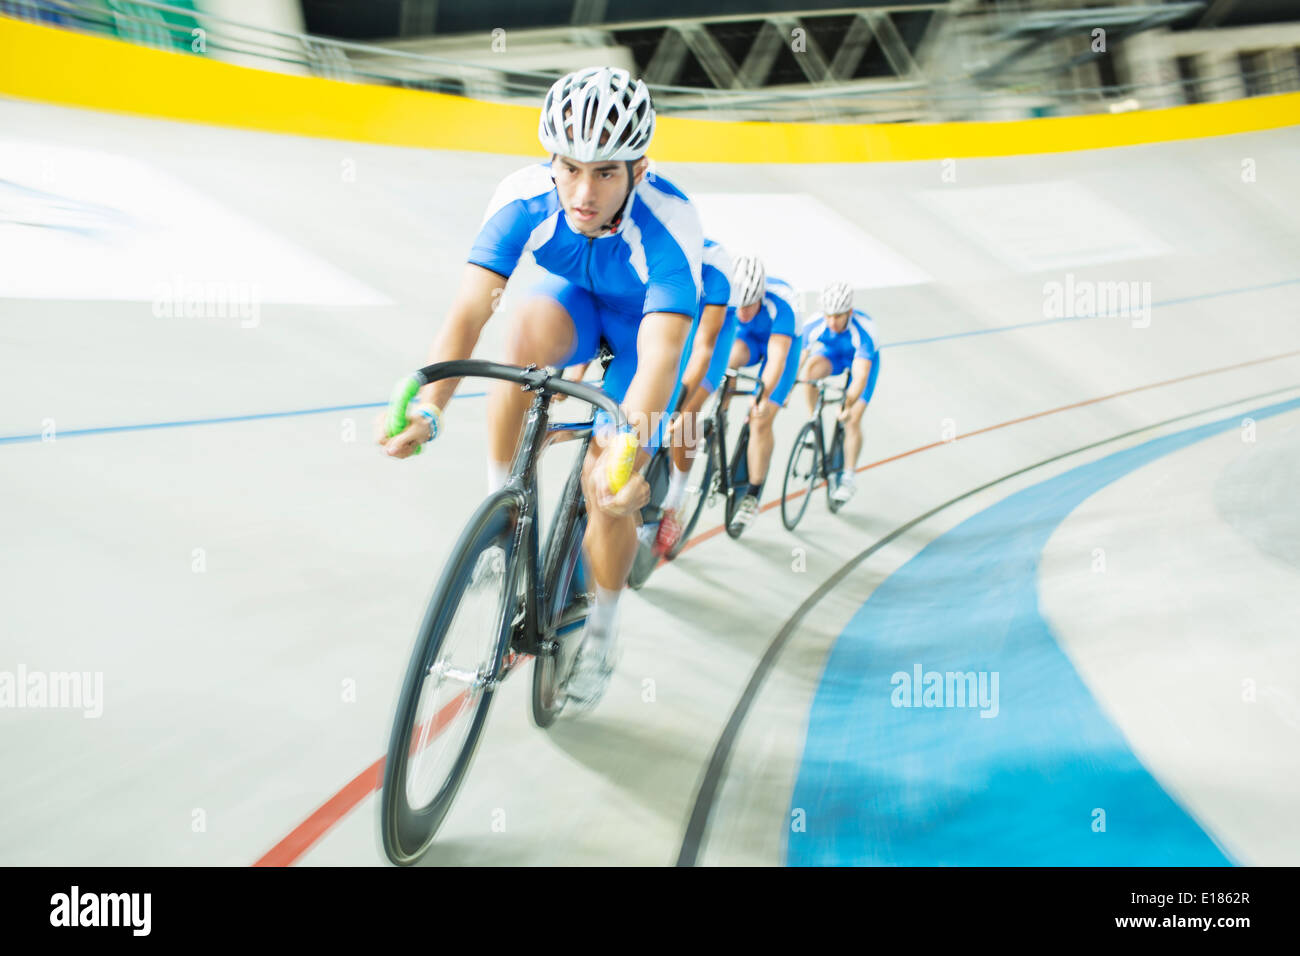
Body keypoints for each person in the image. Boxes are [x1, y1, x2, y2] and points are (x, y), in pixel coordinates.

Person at [380, 66, 703, 709]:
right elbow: (470, 312)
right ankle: (503, 509)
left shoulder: (671, 225)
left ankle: (605, 630)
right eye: (569, 166)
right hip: (574, 307)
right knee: (521, 329)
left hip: (642, 337)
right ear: (549, 158)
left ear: (639, 171)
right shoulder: (522, 199)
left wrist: (623, 453)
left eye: (606, 172)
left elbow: (661, 360)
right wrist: (430, 406)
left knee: (607, 494)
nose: (583, 191)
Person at [652, 237, 734, 555]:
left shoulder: (716, 265)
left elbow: (703, 349)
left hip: (712, 332)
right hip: (677, 316)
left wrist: (680, 400)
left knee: (686, 414)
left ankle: (674, 501)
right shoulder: (658, 252)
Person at [724, 255, 802, 532]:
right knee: (726, 363)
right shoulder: (726, 296)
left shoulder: (782, 305)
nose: (743, 312)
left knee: (760, 418)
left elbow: (777, 360)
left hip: (780, 347)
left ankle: (753, 496)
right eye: (739, 306)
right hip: (747, 340)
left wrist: (760, 396)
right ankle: (717, 426)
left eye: (750, 305)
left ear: (761, 294)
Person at [796, 281, 880, 503]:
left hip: (861, 364)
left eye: (838, 316)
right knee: (810, 370)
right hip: (832, 355)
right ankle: (812, 419)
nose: (832, 322)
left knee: (852, 419)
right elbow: (798, 360)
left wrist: (847, 404)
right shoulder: (814, 324)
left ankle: (849, 477)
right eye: (828, 316)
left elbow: (860, 377)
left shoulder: (864, 330)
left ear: (849, 313)